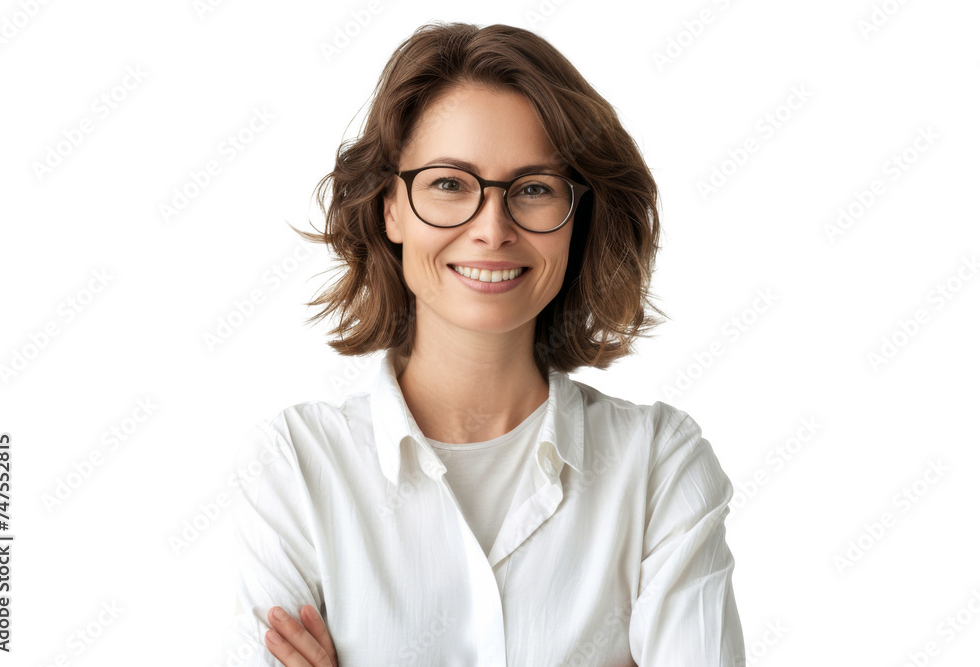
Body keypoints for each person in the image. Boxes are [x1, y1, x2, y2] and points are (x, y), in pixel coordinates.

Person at [231, 21, 745, 666]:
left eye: (533, 189)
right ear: (390, 206)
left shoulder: (660, 466)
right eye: (449, 184)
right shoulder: (297, 468)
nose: (491, 229)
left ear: (576, 219)